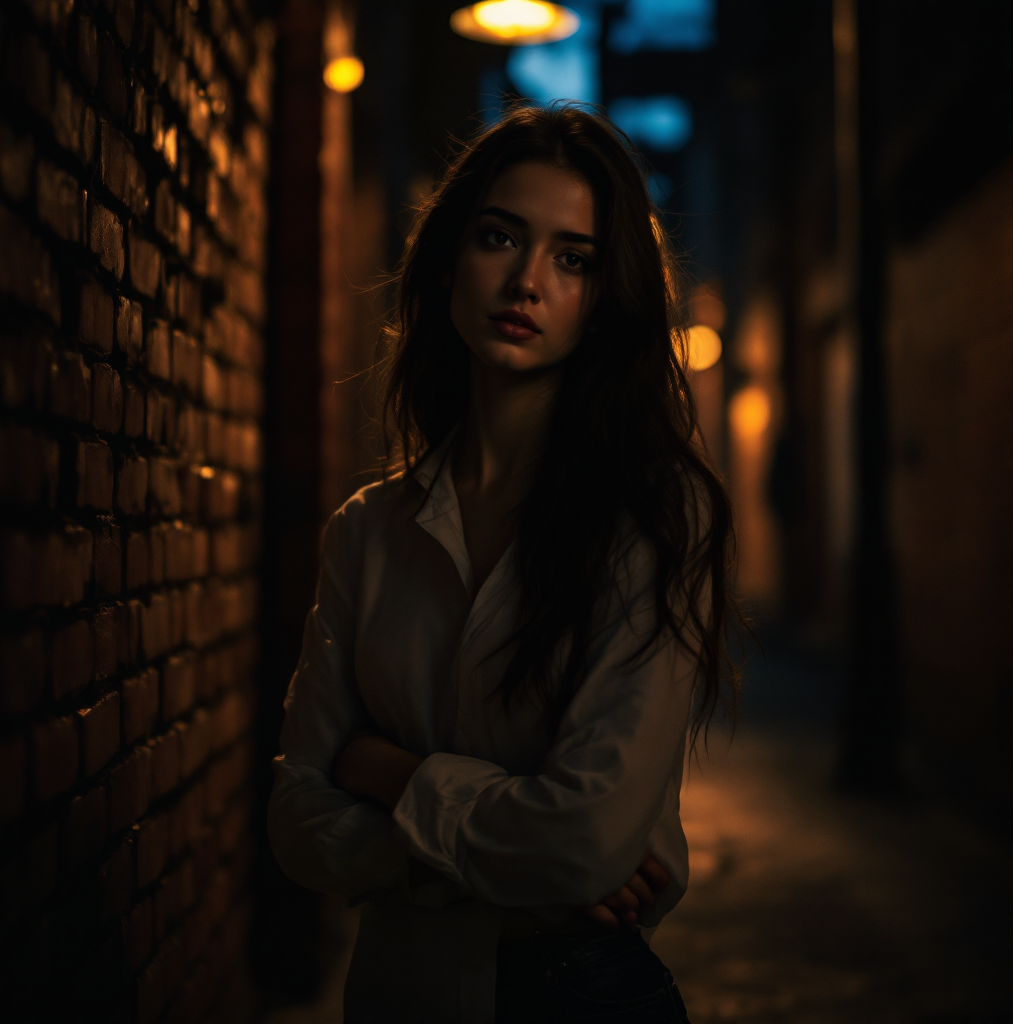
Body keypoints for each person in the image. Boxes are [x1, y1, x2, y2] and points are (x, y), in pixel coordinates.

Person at [268, 103, 736, 1024]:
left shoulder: (654, 521)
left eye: (573, 259)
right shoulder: (367, 532)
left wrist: (388, 773)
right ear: (450, 258)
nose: (526, 280)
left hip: (580, 994)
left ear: (602, 302)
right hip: (401, 994)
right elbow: (295, 822)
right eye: (499, 237)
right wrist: (495, 859)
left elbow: (585, 844)